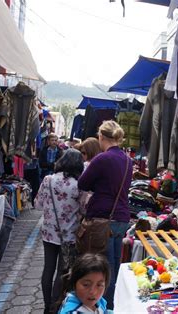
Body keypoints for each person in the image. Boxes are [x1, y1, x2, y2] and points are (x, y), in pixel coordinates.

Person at [78, 121, 132, 309]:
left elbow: (82, 183)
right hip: (122, 218)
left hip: (103, 219)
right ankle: (114, 305)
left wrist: (99, 187)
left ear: (101, 137)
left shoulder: (101, 159)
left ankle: (105, 308)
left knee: (102, 269)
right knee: (114, 268)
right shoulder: (127, 160)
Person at [35, 148, 85, 313]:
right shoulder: (79, 185)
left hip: (48, 233)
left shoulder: (48, 179)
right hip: (69, 235)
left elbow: (38, 205)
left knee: (47, 268)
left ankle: (46, 305)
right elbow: (84, 210)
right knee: (62, 271)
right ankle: (55, 307)